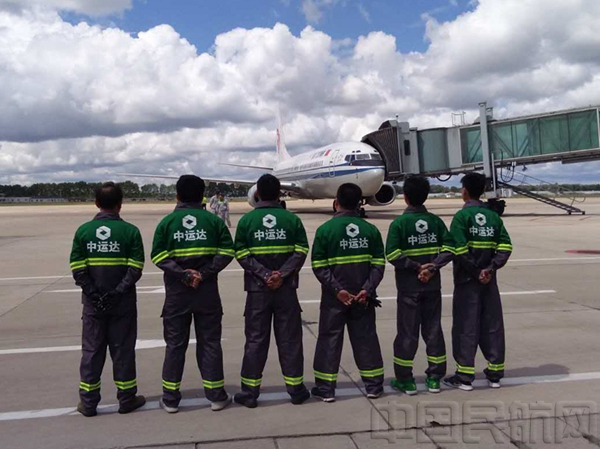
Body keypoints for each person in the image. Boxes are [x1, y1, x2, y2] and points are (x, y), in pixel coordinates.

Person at [151, 175, 235, 413]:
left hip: (177, 295)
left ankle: (170, 399)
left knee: (175, 345)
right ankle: (216, 396)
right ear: (202, 196)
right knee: (210, 343)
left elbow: (158, 256)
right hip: (207, 293)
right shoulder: (213, 222)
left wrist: (183, 275)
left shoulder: (167, 223)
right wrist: (203, 274)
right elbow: (227, 252)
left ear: (177, 196)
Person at [233, 174, 310, 408]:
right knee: (290, 340)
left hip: (257, 290)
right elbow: (301, 250)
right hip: (286, 290)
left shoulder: (247, 221)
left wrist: (264, 274)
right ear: (279, 194)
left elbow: (241, 253)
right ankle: (296, 390)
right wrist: (281, 275)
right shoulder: (292, 220)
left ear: (257, 194)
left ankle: (249, 393)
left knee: (255, 341)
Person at [69, 182, 146, 417]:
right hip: (122, 303)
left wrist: (93, 294)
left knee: (92, 351)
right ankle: (127, 398)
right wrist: (117, 292)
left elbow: (77, 269)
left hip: (93, 305)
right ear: (120, 204)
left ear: (96, 204)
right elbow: (135, 268)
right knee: (123, 350)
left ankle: (88, 402)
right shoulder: (131, 232)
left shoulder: (83, 232)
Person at [311, 183, 386, 402]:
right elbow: (378, 264)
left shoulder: (325, 230)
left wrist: (338, 290)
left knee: (329, 340)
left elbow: (319, 266)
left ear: (336, 202)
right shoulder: (370, 230)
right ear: (359, 204)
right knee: (366, 339)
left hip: (334, 299)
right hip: (363, 298)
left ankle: (326, 389)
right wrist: (366, 289)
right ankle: (374, 386)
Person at [385, 176, 455, 395]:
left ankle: (406, 380)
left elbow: (392, 254)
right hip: (432, 287)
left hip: (408, 288)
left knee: (407, 333)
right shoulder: (435, 222)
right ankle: (434, 379)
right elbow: (450, 249)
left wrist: (415, 267)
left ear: (405, 197)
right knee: (433, 331)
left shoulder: (399, 224)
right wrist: (432, 267)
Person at [443, 173, 513, 391]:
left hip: (467, 281)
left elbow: (459, 249)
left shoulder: (461, 217)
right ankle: (495, 374)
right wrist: (490, 269)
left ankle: (465, 376)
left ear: (464, 191)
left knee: (466, 326)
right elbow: (505, 247)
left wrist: (476, 271)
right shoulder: (493, 217)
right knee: (492, 325)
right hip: (489, 281)